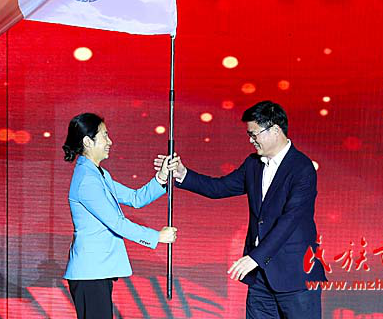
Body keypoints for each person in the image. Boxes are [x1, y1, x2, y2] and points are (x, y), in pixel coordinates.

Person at [156, 100, 326, 319]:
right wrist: (183, 173)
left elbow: (290, 220)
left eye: (254, 134)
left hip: (295, 276)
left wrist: (255, 257)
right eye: (249, 134)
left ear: (275, 130)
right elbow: (219, 187)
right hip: (260, 279)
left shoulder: (302, 168)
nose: (250, 140)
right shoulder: (253, 164)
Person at [63, 112, 177, 319]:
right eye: (104, 135)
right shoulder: (87, 180)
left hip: (98, 272)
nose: (110, 141)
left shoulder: (98, 174)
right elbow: (117, 223)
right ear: (88, 141)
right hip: (90, 272)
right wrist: (156, 237)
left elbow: (135, 198)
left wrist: (161, 177)